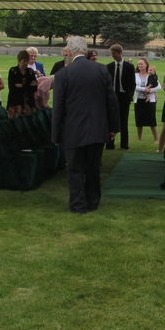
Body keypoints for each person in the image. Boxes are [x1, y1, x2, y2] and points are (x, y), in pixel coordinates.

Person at [52, 36, 120, 214]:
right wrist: (113, 128)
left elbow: (58, 108)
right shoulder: (101, 70)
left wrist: (56, 136)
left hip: (73, 130)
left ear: (69, 51)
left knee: (74, 169)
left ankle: (77, 204)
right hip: (98, 128)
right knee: (93, 168)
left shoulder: (62, 74)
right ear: (87, 50)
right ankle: (93, 201)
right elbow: (112, 101)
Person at [106, 44, 135, 150]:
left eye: (114, 53)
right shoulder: (109, 67)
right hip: (113, 96)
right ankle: (110, 143)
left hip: (124, 96)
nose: (112, 56)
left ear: (119, 53)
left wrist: (129, 94)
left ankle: (124, 143)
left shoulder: (129, 67)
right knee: (111, 119)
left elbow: (133, 83)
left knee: (124, 120)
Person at [133, 57, 160, 143]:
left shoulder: (151, 74)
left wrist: (150, 91)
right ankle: (139, 139)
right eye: (139, 64)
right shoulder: (135, 75)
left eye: (142, 64)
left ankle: (156, 139)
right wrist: (144, 89)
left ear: (146, 65)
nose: (140, 65)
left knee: (152, 120)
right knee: (139, 121)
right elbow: (133, 86)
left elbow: (158, 86)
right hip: (139, 100)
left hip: (150, 101)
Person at [6, 50, 38, 117]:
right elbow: (12, 88)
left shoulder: (30, 72)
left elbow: (34, 88)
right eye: (24, 61)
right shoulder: (13, 71)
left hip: (29, 103)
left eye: (27, 61)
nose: (26, 63)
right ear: (19, 60)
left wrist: (21, 86)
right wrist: (28, 86)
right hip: (15, 103)